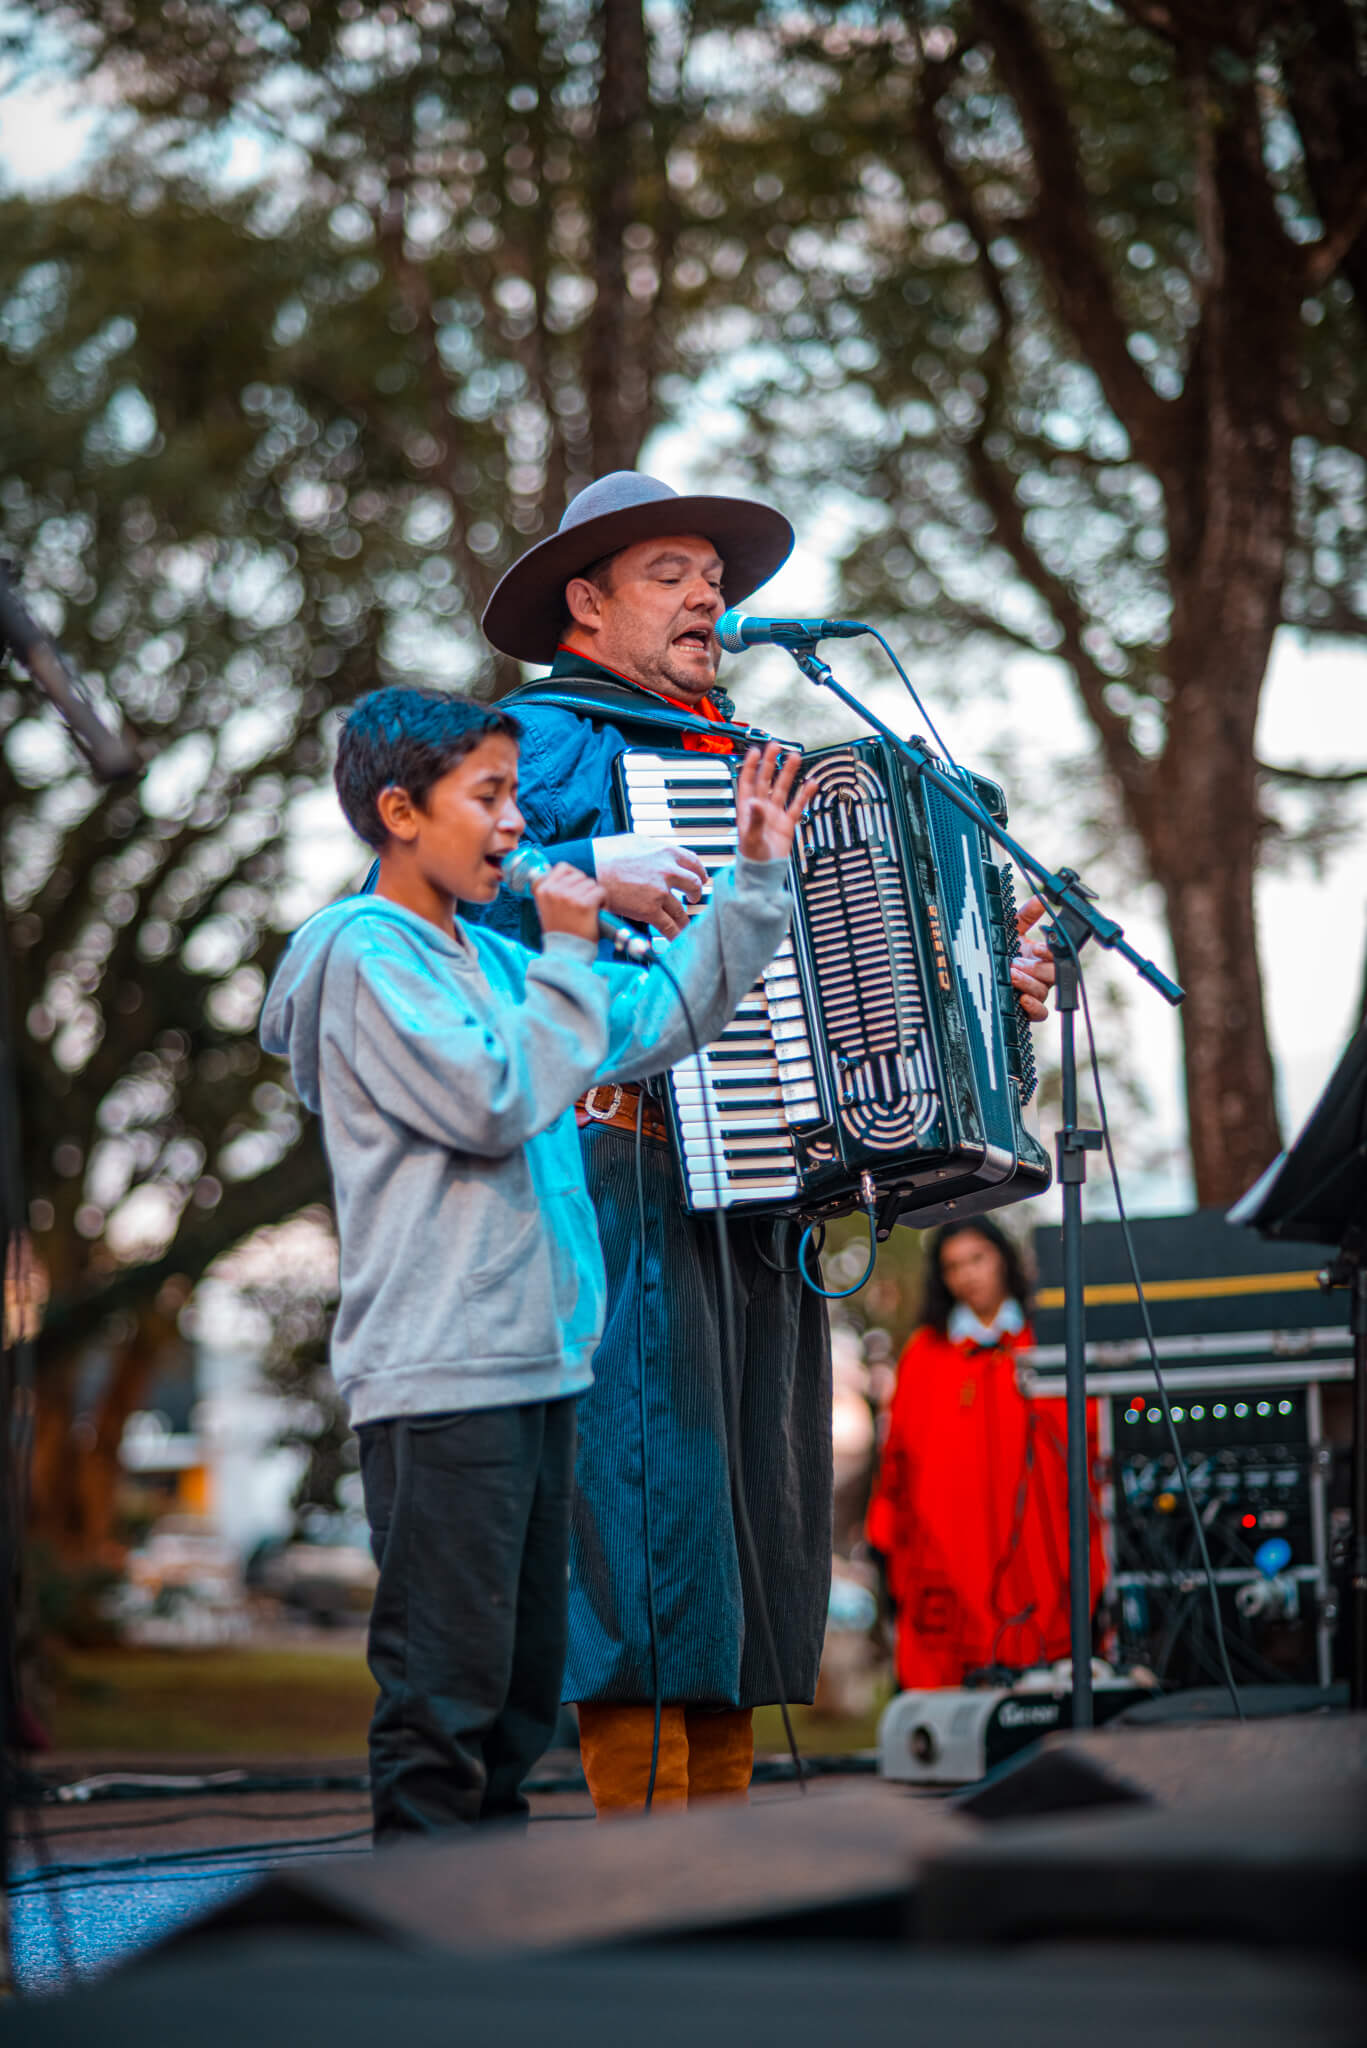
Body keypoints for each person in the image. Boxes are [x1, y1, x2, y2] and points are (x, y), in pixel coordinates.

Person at [473, 472, 1058, 1812]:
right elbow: (433, 889)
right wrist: (582, 872)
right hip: (627, 1166)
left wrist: (987, 985)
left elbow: (863, 971)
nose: (709, 595)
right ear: (585, 602)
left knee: (748, 1534)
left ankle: (722, 1858)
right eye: (669, 572)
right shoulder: (542, 737)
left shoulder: (759, 761)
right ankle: (651, 1864)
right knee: (646, 1517)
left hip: (769, 1188)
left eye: (713, 576)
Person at [260, 685, 811, 1837]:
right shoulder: (363, 955)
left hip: (538, 1369)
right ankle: (428, 1937)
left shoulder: (494, 962)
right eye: (490, 796)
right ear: (400, 813)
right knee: (446, 1701)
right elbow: (494, 1097)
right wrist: (564, 948)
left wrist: (754, 882)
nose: (519, 823)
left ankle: (491, 1926)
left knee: (514, 1708)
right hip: (440, 1376)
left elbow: (660, 1013)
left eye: (515, 794)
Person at [865, 1218, 1104, 1689]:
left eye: (977, 1259)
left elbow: (1090, 1437)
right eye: (953, 1266)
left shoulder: (1047, 1338)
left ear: (1003, 1258)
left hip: (1042, 1541)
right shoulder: (925, 1353)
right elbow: (899, 1457)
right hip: (953, 1541)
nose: (967, 1275)